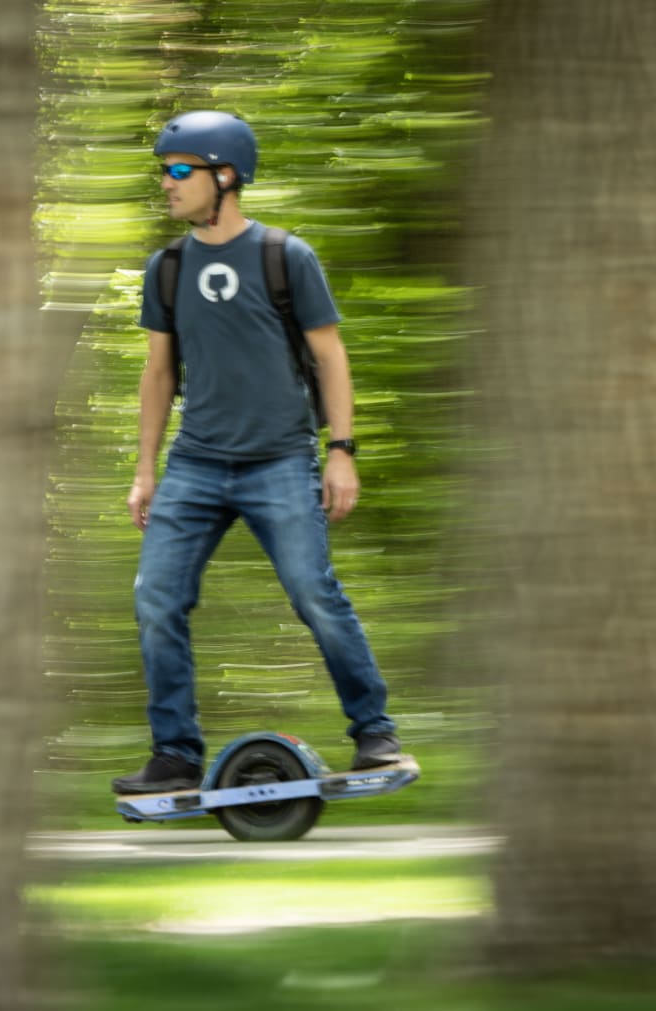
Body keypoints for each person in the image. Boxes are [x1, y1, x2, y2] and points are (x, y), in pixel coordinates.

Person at [112, 110, 402, 796]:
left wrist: (340, 449)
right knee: (156, 595)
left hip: (279, 459)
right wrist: (145, 468)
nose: (166, 183)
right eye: (164, 171)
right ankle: (175, 754)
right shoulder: (168, 267)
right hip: (195, 464)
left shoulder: (284, 256)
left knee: (313, 592)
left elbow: (329, 356)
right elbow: (158, 373)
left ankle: (374, 734)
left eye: (180, 170)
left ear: (226, 175)